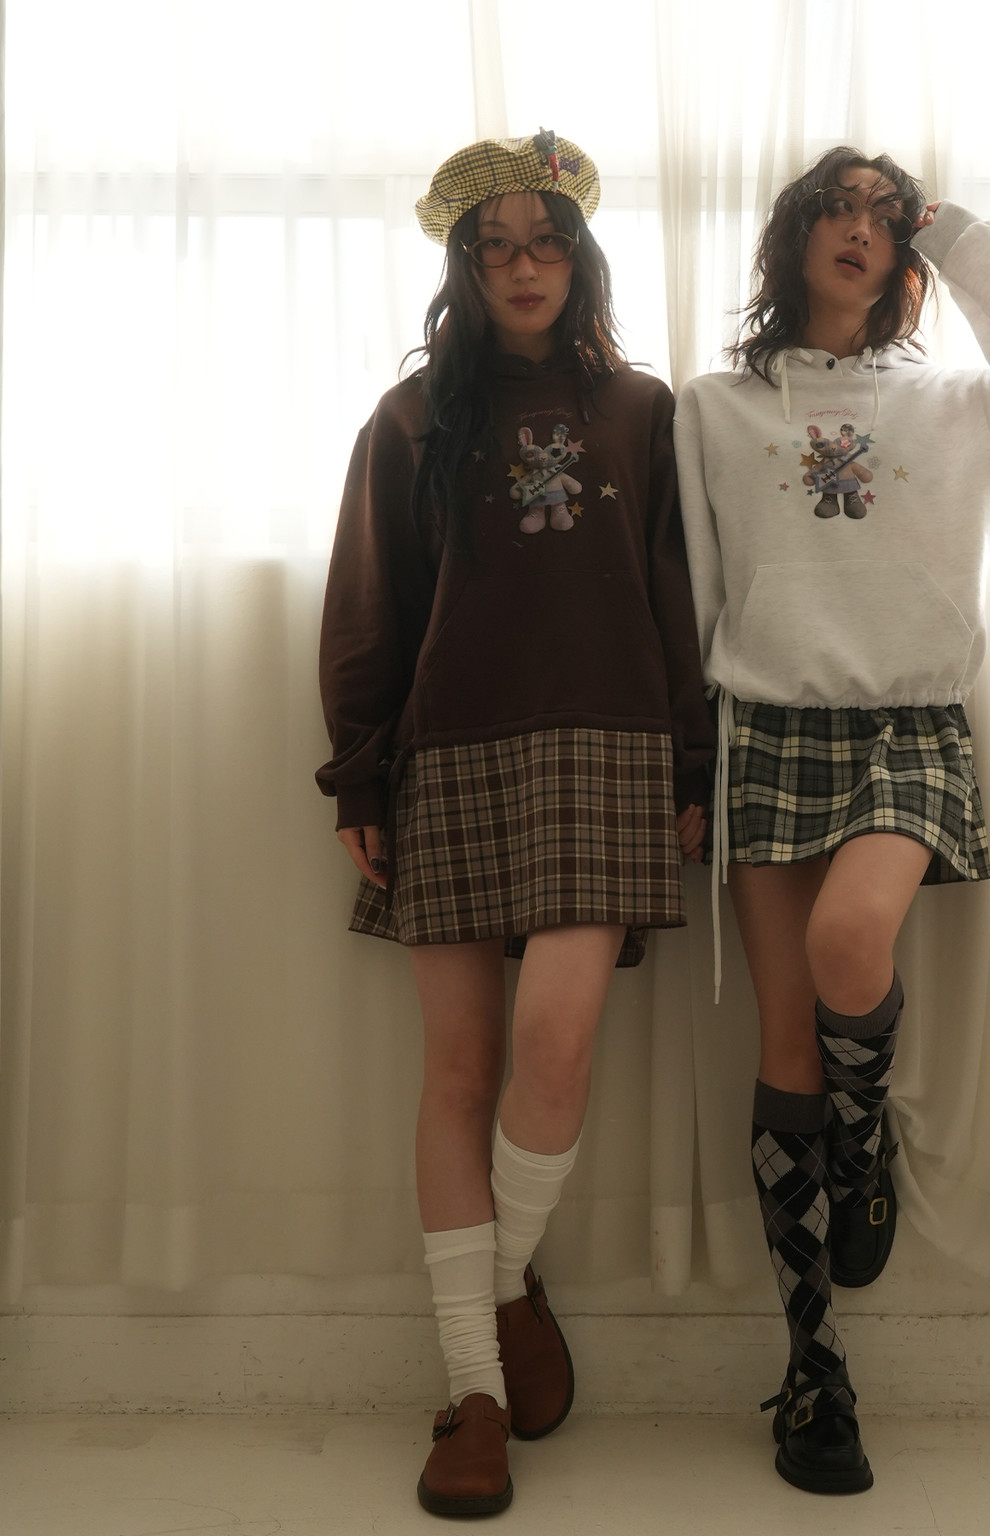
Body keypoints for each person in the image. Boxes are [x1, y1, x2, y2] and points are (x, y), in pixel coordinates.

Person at [674, 147, 990, 1495]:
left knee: (849, 942)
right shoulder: (715, 405)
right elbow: (697, 596)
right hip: (764, 727)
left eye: (885, 213)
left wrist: (955, 230)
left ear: (907, 248)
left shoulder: (962, 404)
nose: (860, 228)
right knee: (784, 1043)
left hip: (907, 726)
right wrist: (691, 763)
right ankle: (814, 1367)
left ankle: (865, 1140)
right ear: (795, 233)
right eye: (839, 206)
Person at [316, 131, 713, 1518]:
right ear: (466, 268)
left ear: (578, 259)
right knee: (460, 1071)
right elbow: (368, 605)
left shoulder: (643, 409)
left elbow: (678, 593)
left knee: (554, 1045)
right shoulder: (411, 418)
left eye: (546, 244)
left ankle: (496, 1280)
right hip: (450, 752)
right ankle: (474, 1388)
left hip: (610, 745)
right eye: (497, 248)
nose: (524, 267)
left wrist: (693, 759)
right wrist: (360, 777)